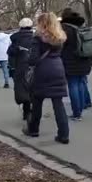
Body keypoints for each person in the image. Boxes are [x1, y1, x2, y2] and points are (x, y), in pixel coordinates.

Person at [22, 12, 69, 144]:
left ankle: (34, 129)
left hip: (42, 70)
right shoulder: (60, 37)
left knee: (37, 101)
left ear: (42, 23)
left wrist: (28, 56)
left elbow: (33, 59)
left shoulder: (38, 38)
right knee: (58, 103)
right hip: (58, 68)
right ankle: (64, 134)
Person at [61, 11, 92, 121]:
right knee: (81, 84)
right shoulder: (83, 28)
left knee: (73, 85)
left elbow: (61, 46)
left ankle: (77, 113)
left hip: (70, 62)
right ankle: (81, 108)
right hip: (84, 60)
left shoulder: (66, 30)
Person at [8, 18, 34, 120]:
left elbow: (10, 52)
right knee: (32, 89)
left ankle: (26, 111)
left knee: (22, 89)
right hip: (33, 66)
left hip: (20, 66)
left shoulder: (16, 38)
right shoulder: (35, 37)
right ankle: (33, 111)